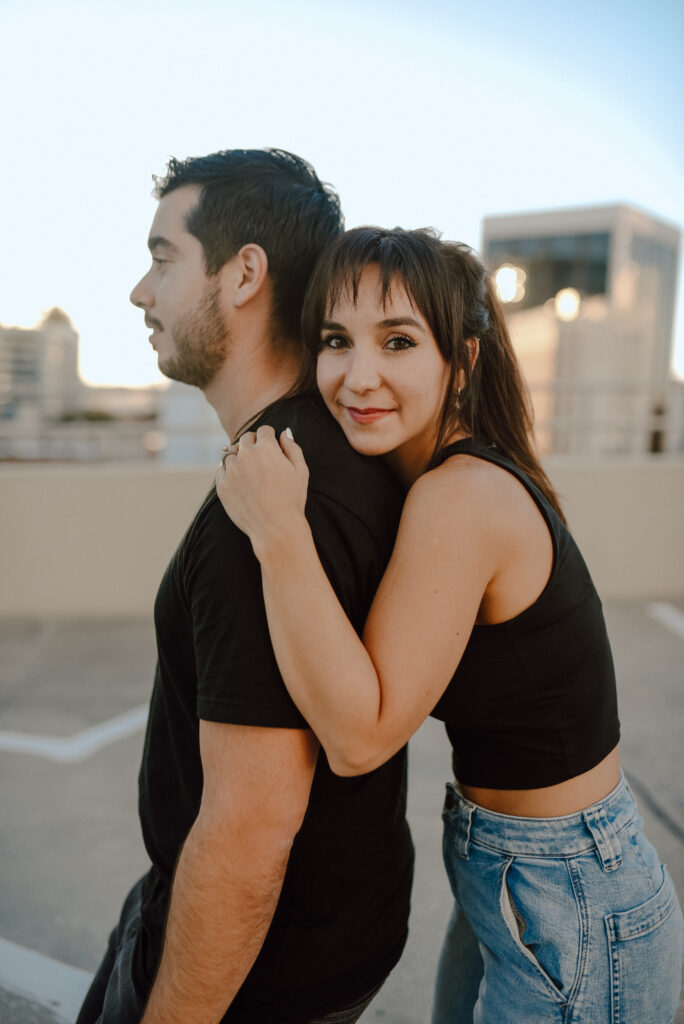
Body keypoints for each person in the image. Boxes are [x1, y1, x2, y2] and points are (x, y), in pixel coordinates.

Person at [215, 226, 684, 1023]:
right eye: (337, 340)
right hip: (515, 874)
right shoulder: (437, 477)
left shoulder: (459, 496)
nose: (359, 377)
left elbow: (361, 738)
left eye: (398, 341)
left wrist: (277, 533)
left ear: (461, 361)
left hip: (568, 888)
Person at [77, 153, 414, 1024]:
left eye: (162, 257)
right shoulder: (331, 455)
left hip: (253, 974)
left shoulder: (265, 504)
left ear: (244, 274)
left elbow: (249, 833)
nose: (139, 293)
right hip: (328, 939)